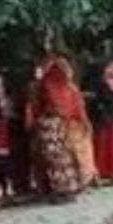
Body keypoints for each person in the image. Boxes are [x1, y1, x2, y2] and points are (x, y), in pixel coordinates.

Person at [28, 61, 88, 199]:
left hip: (47, 125)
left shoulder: (43, 85)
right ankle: (69, 188)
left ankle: (58, 189)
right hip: (60, 125)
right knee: (64, 158)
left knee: (53, 160)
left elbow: (36, 106)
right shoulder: (67, 86)